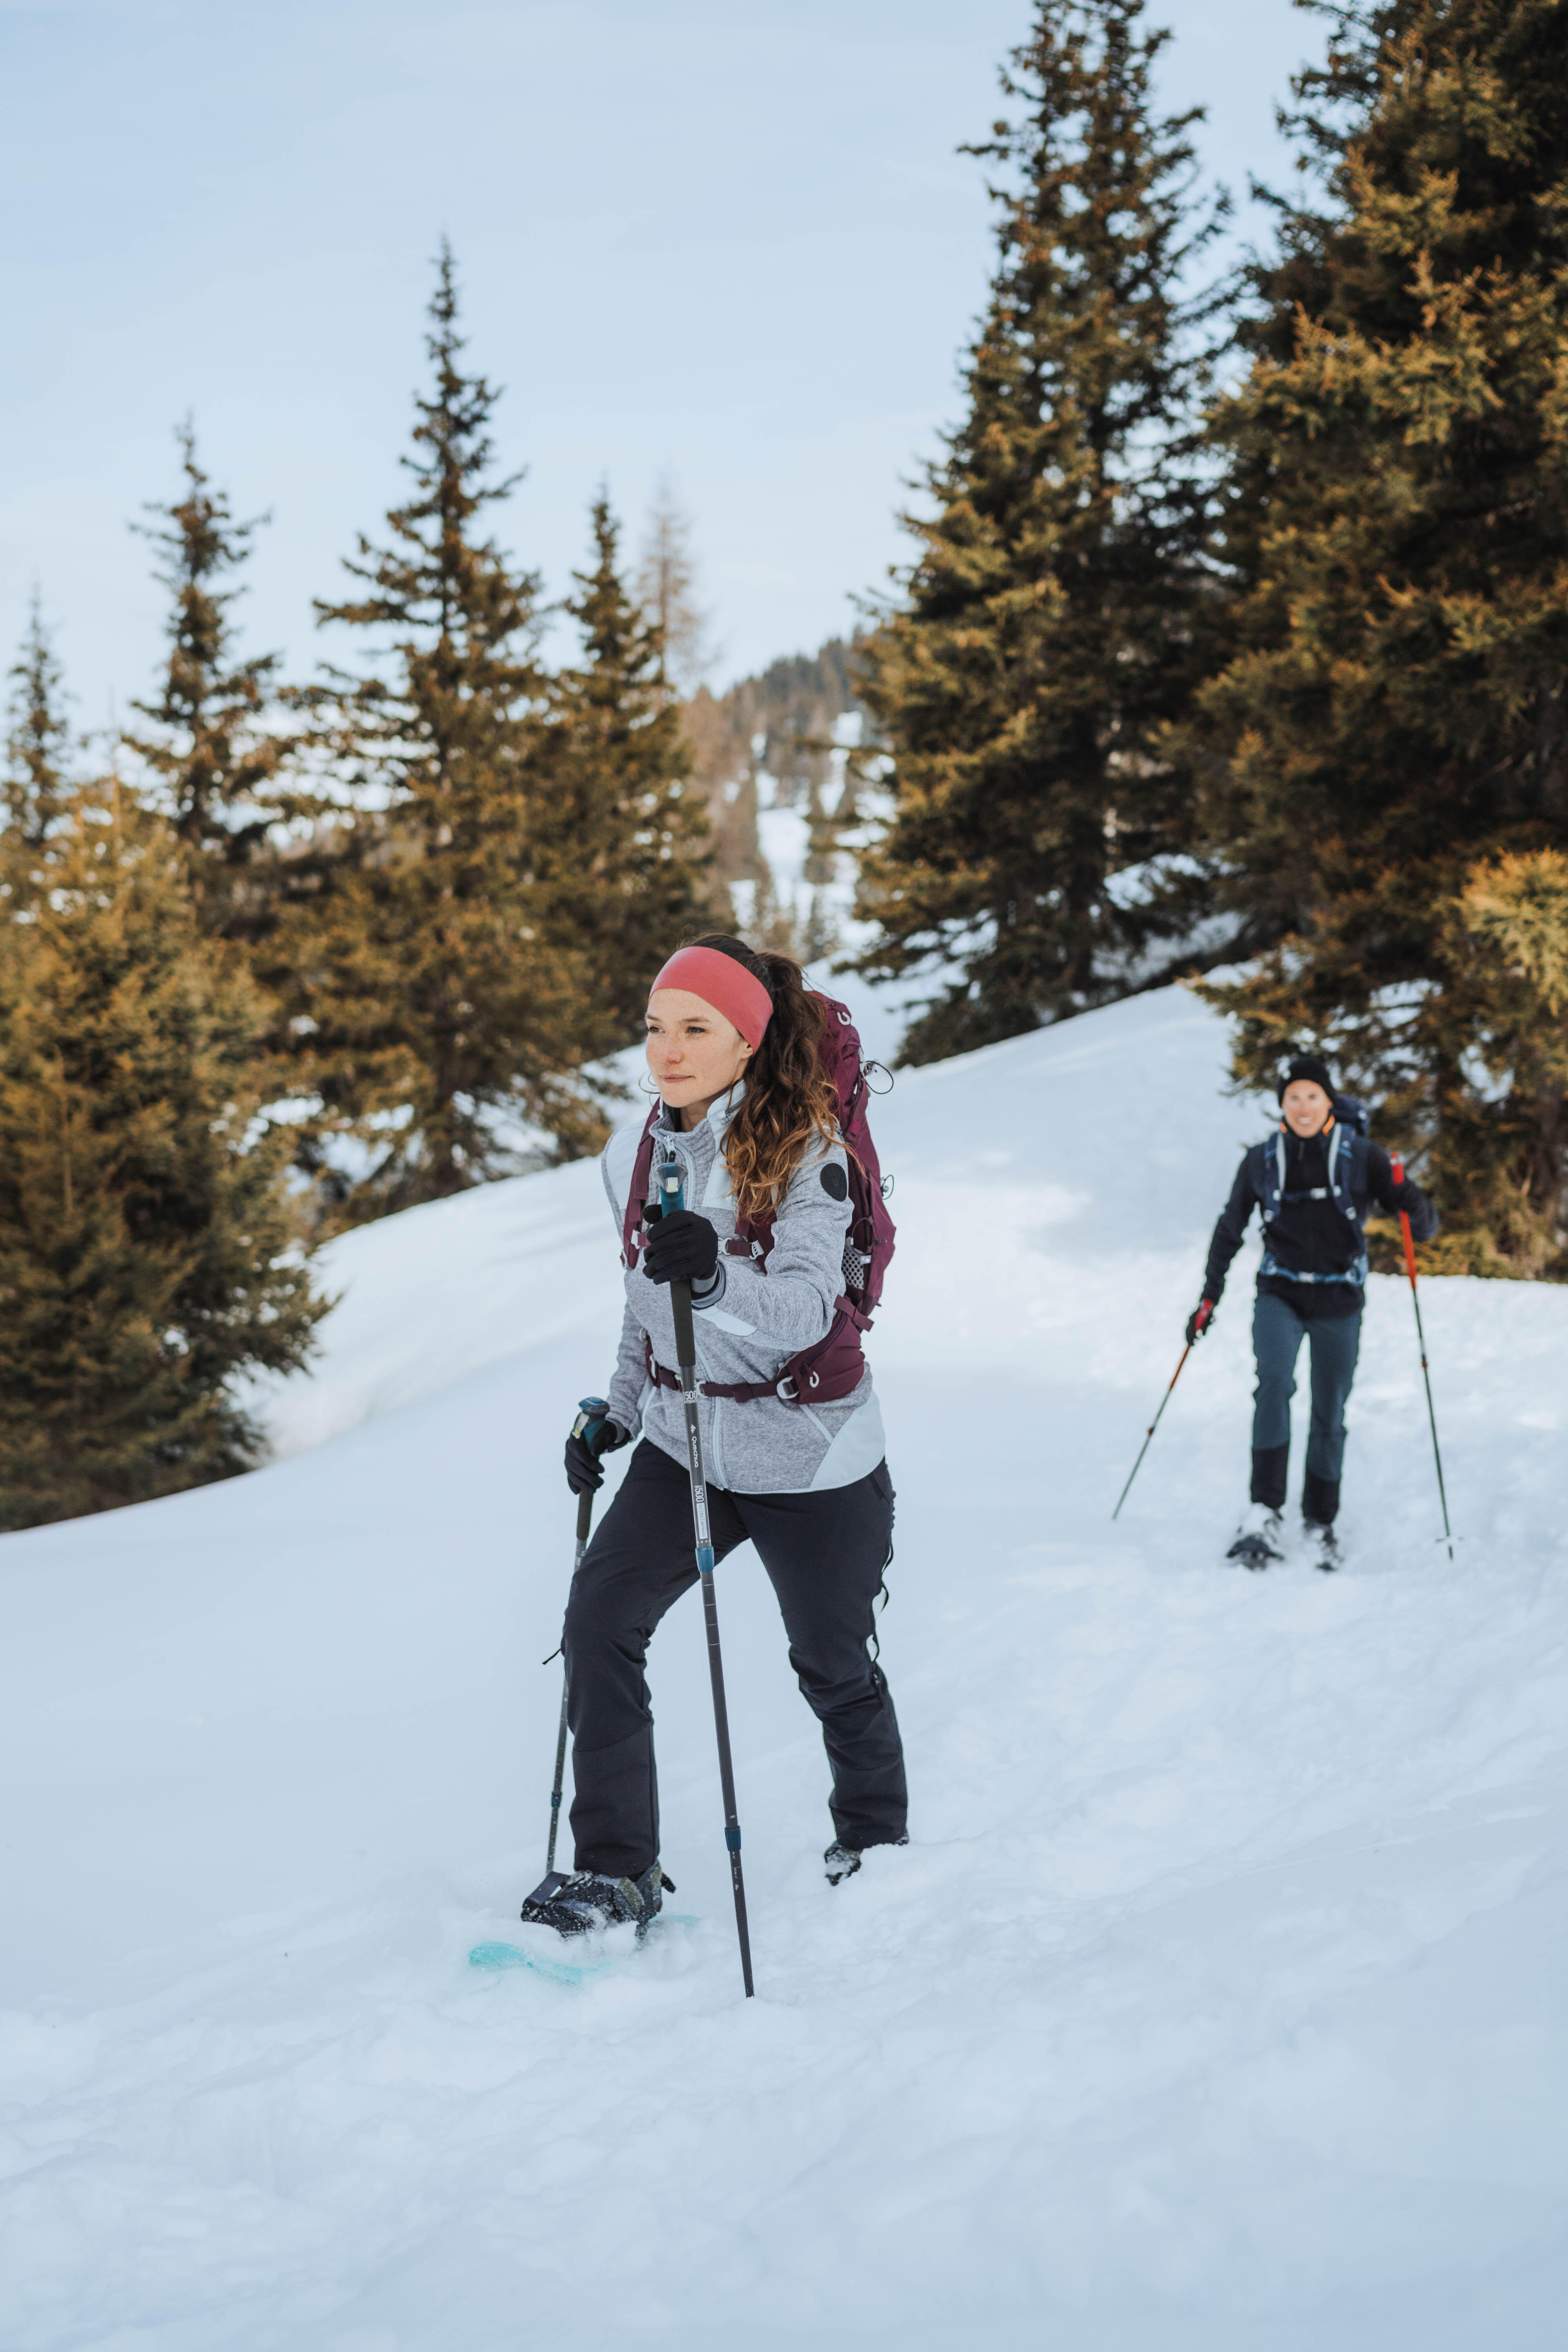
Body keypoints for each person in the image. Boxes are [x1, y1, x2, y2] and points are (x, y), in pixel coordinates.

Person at [520, 934, 906, 1938]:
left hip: (810, 1451)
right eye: (656, 1028)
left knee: (831, 1660)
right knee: (598, 1623)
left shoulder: (807, 1155)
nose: (669, 1049)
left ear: (747, 1042)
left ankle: (873, 1841)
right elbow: (641, 1303)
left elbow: (808, 1310)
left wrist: (715, 1277)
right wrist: (614, 1405)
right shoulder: (636, 1154)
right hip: (684, 1438)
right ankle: (617, 1872)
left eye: (697, 1029)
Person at [1185, 1054, 1438, 1570]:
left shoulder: (1362, 1156)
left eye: (1313, 1096)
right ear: (1282, 1103)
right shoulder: (1261, 1160)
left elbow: (1425, 1226)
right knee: (1274, 1385)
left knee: (1331, 1409)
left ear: (1329, 1103)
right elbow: (1229, 1229)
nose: (1303, 1106)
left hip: (1339, 1301)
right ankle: (1263, 1510)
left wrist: (1403, 1186)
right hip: (1280, 1293)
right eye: (1293, 1096)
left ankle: (1320, 1520)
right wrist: (1210, 1295)